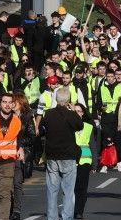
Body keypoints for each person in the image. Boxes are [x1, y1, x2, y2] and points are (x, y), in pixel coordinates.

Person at [38, 87, 84, 220]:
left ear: (56, 99)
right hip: (68, 154)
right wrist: (74, 109)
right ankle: (67, 217)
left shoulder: (49, 114)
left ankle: (52, 217)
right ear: (68, 100)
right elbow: (80, 125)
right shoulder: (70, 115)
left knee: (52, 190)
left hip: (52, 155)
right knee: (68, 190)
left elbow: (42, 129)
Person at [0, 93, 23, 220]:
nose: (7, 105)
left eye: (9, 102)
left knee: (5, 194)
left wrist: (21, 148)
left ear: (13, 105)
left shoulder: (17, 121)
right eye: (4, 102)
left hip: (9, 163)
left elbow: (20, 137)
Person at [71, 103, 95, 220]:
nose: (77, 113)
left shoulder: (88, 127)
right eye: (75, 111)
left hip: (85, 160)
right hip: (71, 160)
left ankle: (79, 211)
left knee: (82, 188)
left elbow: (93, 146)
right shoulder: (69, 125)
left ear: (83, 113)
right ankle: (71, 209)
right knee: (72, 188)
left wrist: (94, 163)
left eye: (79, 111)